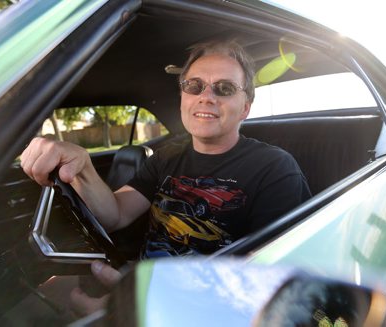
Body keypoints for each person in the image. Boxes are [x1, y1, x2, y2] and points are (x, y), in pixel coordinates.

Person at [21, 38, 311, 315]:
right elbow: (116, 214)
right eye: (194, 86)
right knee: (38, 299)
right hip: (134, 281)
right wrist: (83, 168)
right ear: (183, 98)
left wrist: (134, 308)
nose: (206, 97)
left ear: (245, 108)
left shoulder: (275, 169)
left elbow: (266, 286)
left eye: (223, 88)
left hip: (193, 310)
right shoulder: (166, 157)